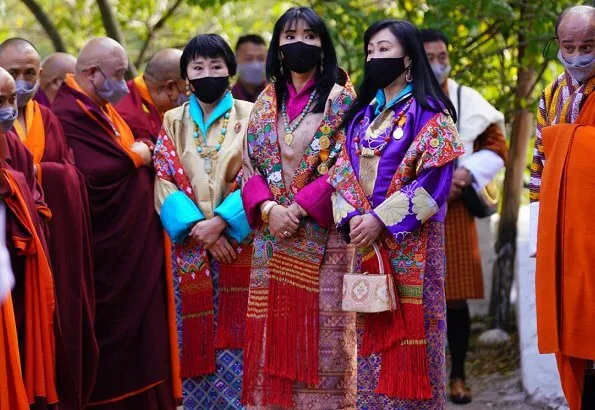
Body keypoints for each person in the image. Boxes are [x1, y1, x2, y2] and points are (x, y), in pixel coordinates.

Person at [328, 19, 464, 408]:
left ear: (408, 58)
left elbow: (434, 183)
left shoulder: (431, 113)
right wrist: (352, 216)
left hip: (413, 245)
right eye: (370, 50)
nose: (375, 57)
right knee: (368, 335)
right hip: (365, 245)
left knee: (415, 336)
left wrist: (379, 219)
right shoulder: (359, 116)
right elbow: (338, 171)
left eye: (384, 49)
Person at [52, 37, 179, 409]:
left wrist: (135, 151)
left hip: (132, 251)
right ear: (92, 74)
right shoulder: (67, 113)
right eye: (119, 74)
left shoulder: (100, 106)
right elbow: (95, 170)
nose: (125, 84)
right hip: (107, 254)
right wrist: (136, 156)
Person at [241, 7, 357, 408]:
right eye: (290, 36)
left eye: (310, 36)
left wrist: (302, 207)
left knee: (327, 342)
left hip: (324, 240)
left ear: (324, 45)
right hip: (271, 238)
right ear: (278, 46)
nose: (299, 44)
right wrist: (271, 210)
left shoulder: (341, 99)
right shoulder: (263, 102)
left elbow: (349, 163)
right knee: (271, 339)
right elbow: (248, 164)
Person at [153, 33, 253, 409]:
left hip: (240, 245)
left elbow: (260, 175)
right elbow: (164, 176)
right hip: (193, 246)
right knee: (195, 341)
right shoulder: (172, 120)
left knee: (240, 339)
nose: (207, 73)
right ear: (186, 77)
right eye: (198, 67)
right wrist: (202, 230)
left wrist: (225, 221)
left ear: (230, 70)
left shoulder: (252, 114)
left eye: (216, 65)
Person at [0, 37, 99, 410]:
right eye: (13, 75)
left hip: (44, 248)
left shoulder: (48, 121)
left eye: (30, 74)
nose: (22, 85)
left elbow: (72, 177)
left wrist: (38, 176)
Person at [421, 28, 508, 404]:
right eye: (430, 57)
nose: (439, 64)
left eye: (443, 56)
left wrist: (466, 173)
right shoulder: (398, 98)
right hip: (407, 213)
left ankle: (456, 375)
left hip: (452, 211)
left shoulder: (465, 99)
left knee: (453, 298)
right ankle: (421, 377)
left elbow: (496, 145)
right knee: (413, 298)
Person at [530, 5, 595, 410]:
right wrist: (541, 231)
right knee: (574, 331)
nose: (576, 55)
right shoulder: (552, 93)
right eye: (568, 46)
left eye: (587, 46)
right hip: (564, 236)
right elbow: (540, 166)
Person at [0, 66, 57, 409]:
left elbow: (37, 201)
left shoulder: (11, 141)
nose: (8, 108)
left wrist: (14, 189)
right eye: (0, 100)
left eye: (11, 100)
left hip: (14, 266)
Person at [116, 48, 186, 142]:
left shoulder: (136, 89)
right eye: (188, 90)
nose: (190, 98)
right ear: (170, 87)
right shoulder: (133, 120)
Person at [231, 34, 267, 102]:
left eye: (261, 58)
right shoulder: (227, 99)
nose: (256, 66)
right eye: (249, 58)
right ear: (236, 60)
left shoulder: (279, 97)